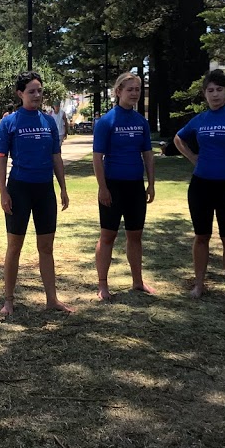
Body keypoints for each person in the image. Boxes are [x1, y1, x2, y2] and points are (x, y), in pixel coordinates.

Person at [0, 72, 74, 316]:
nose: (37, 95)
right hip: (19, 188)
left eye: (39, 90)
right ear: (20, 94)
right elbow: (0, 160)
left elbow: (56, 157)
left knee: (46, 247)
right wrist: (3, 192)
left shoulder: (49, 121)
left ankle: (52, 299)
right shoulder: (8, 123)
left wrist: (62, 187)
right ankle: (8, 301)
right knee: (14, 247)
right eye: (32, 91)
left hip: (44, 190)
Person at [173, 69, 225, 303]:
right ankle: (199, 284)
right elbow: (178, 139)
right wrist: (193, 158)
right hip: (201, 186)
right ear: (204, 94)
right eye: (210, 91)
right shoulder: (200, 119)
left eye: (219, 90)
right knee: (201, 236)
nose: (215, 95)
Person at [92, 73, 156, 301]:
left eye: (138, 89)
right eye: (130, 89)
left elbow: (147, 154)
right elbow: (97, 158)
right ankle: (102, 285)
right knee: (107, 236)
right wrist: (102, 188)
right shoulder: (106, 121)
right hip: (113, 186)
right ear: (118, 91)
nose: (135, 93)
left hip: (135, 186)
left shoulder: (141, 122)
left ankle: (137, 281)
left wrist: (151, 184)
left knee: (135, 236)